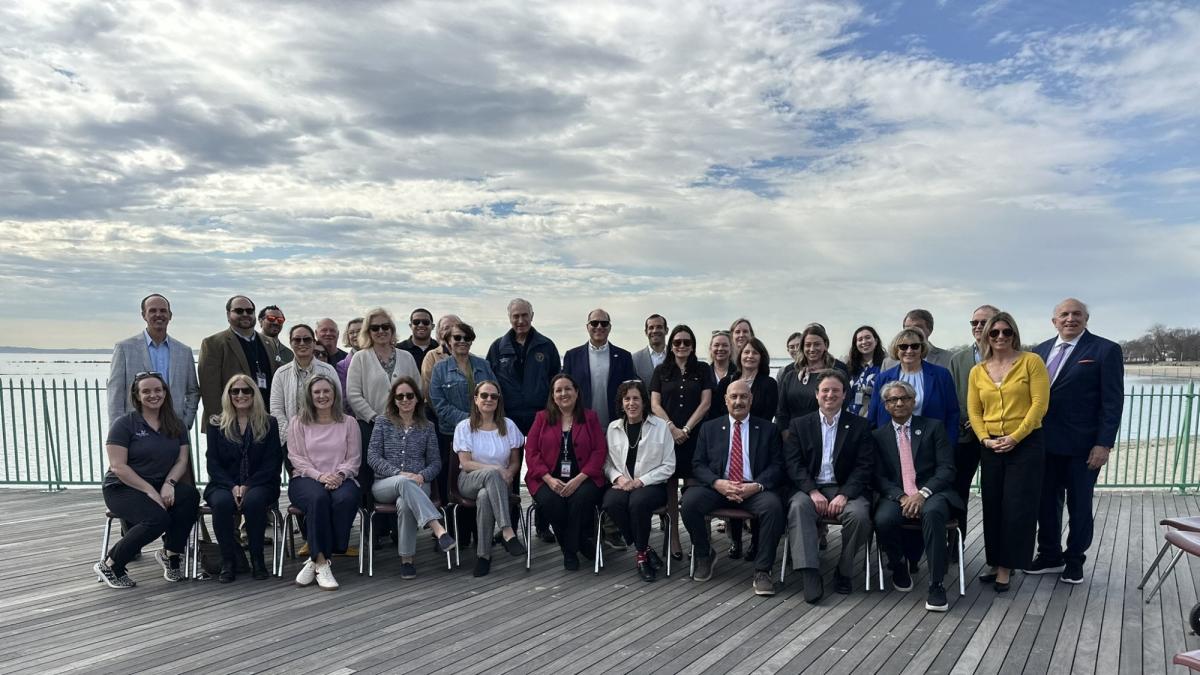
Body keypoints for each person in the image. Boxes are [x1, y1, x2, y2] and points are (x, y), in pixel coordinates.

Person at [1026, 298, 1124, 585]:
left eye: (1077, 314)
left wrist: (1104, 444)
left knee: (1079, 505)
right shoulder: (1039, 352)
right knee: (1046, 503)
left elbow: (1112, 402)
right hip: (1044, 444)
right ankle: (1049, 555)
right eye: (1064, 314)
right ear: (1054, 321)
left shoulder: (1105, 350)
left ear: (1086, 319)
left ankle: (1074, 559)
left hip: (1083, 447)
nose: (1070, 319)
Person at [967, 311, 1049, 592]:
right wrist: (984, 438)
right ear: (987, 336)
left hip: (1025, 444)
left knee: (1017, 507)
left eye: (1006, 331)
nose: (1000, 337)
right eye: (994, 332)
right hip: (991, 446)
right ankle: (995, 561)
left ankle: (1007, 566)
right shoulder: (978, 371)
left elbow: (1039, 405)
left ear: (1014, 334)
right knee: (992, 505)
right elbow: (974, 410)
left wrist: (1015, 437)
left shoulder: (1031, 362)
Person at [94, 372, 200, 588]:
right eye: (146, 391)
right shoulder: (124, 424)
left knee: (189, 496)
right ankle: (111, 563)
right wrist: (149, 491)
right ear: (137, 395)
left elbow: (182, 460)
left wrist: (169, 484)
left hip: (160, 484)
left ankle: (171, 554)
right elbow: (118, 466)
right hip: (123, 487)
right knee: (157, 519)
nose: (153, 395)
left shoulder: (176, 424)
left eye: (158, 390)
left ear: (165, 393)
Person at [682, 379, 786, 596]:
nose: (739, 401)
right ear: (726, 400)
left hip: (753, 488)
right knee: (689, 502)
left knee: (774, 507)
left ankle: (763, 570)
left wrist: (756, 486)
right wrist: (717, 483)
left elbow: (778, 466)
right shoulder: (709, 428)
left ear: (751, 399)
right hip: (719, 487)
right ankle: (704, 554)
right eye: (734, 397)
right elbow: (698, 464)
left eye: (743, 396)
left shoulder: (768, 429)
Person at [784, 369, 875, 603]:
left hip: (845, 488)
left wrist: (844, 495)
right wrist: (812, 491)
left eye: (836, 390)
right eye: (825, 390)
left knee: (859, 515)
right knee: (798, 508)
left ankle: (844, 569)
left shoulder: (860, 426)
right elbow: (793, 464)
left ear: (844, 394)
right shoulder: (800, 425)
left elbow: (864, 466)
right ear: (816, 394)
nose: (830, 395)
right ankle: (810, 572)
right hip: (810, 488)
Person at [871, 380, 961, 612]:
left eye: (904, 398)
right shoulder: (878, 436)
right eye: (893, 400)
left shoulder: (934, 427)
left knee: (933, 514)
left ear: (913, 401)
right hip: (897, 495)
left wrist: (923, 493)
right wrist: (901, 497)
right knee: (883, 519)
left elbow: (947, 468)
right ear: (885, 406)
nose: (899, 403)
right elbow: (878, 476)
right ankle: (898, 564)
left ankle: (936, 584)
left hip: (932, 493)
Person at [367, 376, 456, 579]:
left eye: (409, 395)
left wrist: (422, 476)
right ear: (393, 399)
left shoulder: (427, 427)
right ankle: (438, 529)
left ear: (417, 398)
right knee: (402, 482)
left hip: (419, 484)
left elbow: (435, 462)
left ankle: (407, 560)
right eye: (400, 396)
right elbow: (372, 457)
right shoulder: (382, 422)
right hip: (385, 484)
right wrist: (398, 474)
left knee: (405, 503)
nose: (405, 400)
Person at [487, 298, 560, 543]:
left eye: (524, 315)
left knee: (543, 469)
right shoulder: (498, 347)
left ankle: (543, 524)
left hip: (541, 416)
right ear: (509, 317)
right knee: (509, 472)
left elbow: (556, 383)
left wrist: (552, 414)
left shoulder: (546, 346)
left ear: (532, 316)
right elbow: (491, 384)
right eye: (515, 316)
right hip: (509, 418)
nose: (520, 320)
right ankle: (508, 526)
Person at [204, 374, 283, 582]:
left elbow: (272, 462)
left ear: (254, 394)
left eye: (246, 390)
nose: (240, 395)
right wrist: (232, 487)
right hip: (224, 484)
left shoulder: (269, 423)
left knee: (254, 501)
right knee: (221, 503)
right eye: (235, 391)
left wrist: (247, 485)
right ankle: (228, 561)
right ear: (228, 395)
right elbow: (213, 463)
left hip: (261, 483)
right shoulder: (216, 424)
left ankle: (258, 560)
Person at [287, 374, 361, 591]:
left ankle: (317, 558)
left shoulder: (349, 422)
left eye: (326, 391)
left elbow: (354, 458)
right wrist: (320, 476)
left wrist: (339, 475)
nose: (322, 396)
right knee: (318, 498)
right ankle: (321, 562)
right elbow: (296, 458)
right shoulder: (298, 422)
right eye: (317, 392)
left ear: (335, 394)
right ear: (309, 396)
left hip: (341, 477)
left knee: (345, 499)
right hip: (306, 478)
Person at [526, 373, 607, 570]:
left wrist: (579, 479)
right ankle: (579, 543)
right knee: (552, 501)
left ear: (576, 392)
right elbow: (531, 452)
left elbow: (599, 451)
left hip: (584, 478)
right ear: (553, 396)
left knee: (579, 499)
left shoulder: (590, 417)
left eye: (568, 389)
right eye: (558, 390)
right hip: (546, 478)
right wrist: (548, 479)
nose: (564, 393)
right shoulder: (541, 418)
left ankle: (569, 551)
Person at [346, 307, 421, 515]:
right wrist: (375, 418)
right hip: (370, 427)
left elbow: (417, 389)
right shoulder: (360, 358)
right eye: (375, 327)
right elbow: (353, 394)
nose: (381, 331)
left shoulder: (406, 357)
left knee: (400, 473)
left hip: (404, 427)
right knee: (370, 475)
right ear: (368, 332)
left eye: (385, 326)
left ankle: (399, 523)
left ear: (392, 329)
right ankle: (374, 525)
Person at [650, 324, 715, 558]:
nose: (682, 346)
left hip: (695, 436)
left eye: (687, 342)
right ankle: (674, 539)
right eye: (677, 342)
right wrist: (672, 428)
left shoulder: (702, 369)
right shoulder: (661, 370)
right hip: (667, 437)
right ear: (671, 345)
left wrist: (686, 429)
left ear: (693, 346)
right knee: (670, 490)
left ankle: (700, 541)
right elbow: (654, 404)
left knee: (694, 490)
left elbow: (706, 403)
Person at [603, 380, 675, 582]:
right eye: (627, 399)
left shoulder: (660, 427)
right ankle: (645, 547)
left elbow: (669, 465)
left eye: (636, 398)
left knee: (638, 503)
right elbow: (607, 464)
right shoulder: (613, 428)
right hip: (622, 484)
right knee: (611, 503)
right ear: (621, 403)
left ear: (644, 401)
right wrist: (619, 478)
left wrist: (640, 481)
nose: (631, 403)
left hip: (651, 485)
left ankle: (641, 557)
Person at [453, 381, 527, 576]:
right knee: (491, 475)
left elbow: (515, 462)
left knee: (485, 496)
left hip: (500, 484)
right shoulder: (464, 427)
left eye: (494, 396)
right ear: (476, 399)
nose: (489, 399)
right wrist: (496, 469)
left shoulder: (508, 426)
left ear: (498, 400)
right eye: (484, 395)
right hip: (469, 480)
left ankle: (483, 556)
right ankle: (507, 530)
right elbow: (466, 463)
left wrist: (509, 473)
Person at [948, 304, 1000, 554]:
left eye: (984, 322)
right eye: (974, 322)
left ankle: (999, 555)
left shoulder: (1011, 358)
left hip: (998, 438)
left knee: (995, 496)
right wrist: (967, 418)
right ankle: (954, 548)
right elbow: (951, 397)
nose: (978, 326)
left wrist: (984, 420)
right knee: (958, 493)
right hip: (964, 437)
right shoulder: (958, 359)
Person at [108, 293, 201, 429]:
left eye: (163, 311)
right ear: (144, 315)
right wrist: (118, 430)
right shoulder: (124, 349)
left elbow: (193, 391)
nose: (158, 314)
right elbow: (116, 393)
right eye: (152, 311)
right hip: (137, 429)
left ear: (170, 315)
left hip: (174, 428)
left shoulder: (184, 351)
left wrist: (185, 423)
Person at [198, 295, 285, 428]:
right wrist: (220, 424)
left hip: (266, 420)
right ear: (228, 315)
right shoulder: (213, 344)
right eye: (239, 311)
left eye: (249, 311)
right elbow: (210, 391)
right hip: (231, 423)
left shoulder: (269, 343)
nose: (245, 314)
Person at [867, 329, 959, 444]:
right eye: (903, 347)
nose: (909, 351)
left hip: (932, 444)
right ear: (896, 350)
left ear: (922, 348)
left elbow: (952, 414)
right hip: (890, 445)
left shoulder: (941, 375)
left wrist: (948, 445)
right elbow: (873, 416)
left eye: (915, 346)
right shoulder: (883, 378)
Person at [561, 308, 637, 428]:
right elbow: (564, 391)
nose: (599, 326)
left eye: (604, 323)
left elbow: (631, 391)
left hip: (617, 424)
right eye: (594, 323)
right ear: (587, 327)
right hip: (581, 424)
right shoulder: (572, 356)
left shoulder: (624, 357)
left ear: (610, 327)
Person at [270, 324, 340, 444]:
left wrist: (325, 434)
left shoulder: (328, 370)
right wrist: (290, 436)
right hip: (291, 440)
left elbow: (337, 403)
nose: (302, 343)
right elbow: (276, 410)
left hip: (325, 438)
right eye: (297, 340)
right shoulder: (281, 374)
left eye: (307, 339)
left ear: (314, 342)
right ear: (290, 343)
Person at [777, 324, 849, 439]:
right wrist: (787, 438)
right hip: (794, 438)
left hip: (827, 436)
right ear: (802, 347)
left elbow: (844, 409)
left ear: (825, 345)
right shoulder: (790, 376)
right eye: (808, 345)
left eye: (817, 344)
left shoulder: (838, 376)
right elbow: (781, 412)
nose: (812, 349)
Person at [712, 337, 778, 421]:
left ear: (761, 358)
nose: (750, 356)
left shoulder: (770, 384)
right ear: (740, 356)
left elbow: (768, 415)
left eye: (755, 353)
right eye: (746, 352)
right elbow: (715, 412)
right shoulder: (725, 382)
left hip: (757, 428)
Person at [883, 309, 953, 370]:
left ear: (930, 330)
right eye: (908, 327)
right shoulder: (888, 364)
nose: (912, 331)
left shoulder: (949, 359)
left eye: (917, 327)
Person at [846, 325, 885, 417]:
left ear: (876, 341)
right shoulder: (850, 367)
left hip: (875, 416)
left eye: (868, 337)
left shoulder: (885, 365)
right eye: (860, 339)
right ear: (856, 344)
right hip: (850, 416)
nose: (864, 342)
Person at [632, 314, 669, 384]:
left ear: (666, 330)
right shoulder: (635, 360)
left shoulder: (675, 356)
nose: (655, 331)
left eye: (659, 327)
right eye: (651, 328)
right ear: (646, 332)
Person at [335, 317, 364, 404]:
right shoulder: (342, 366)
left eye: (359, 331)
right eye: (351, 332)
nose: (355, 335)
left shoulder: (381, 357)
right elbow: (345, 398)